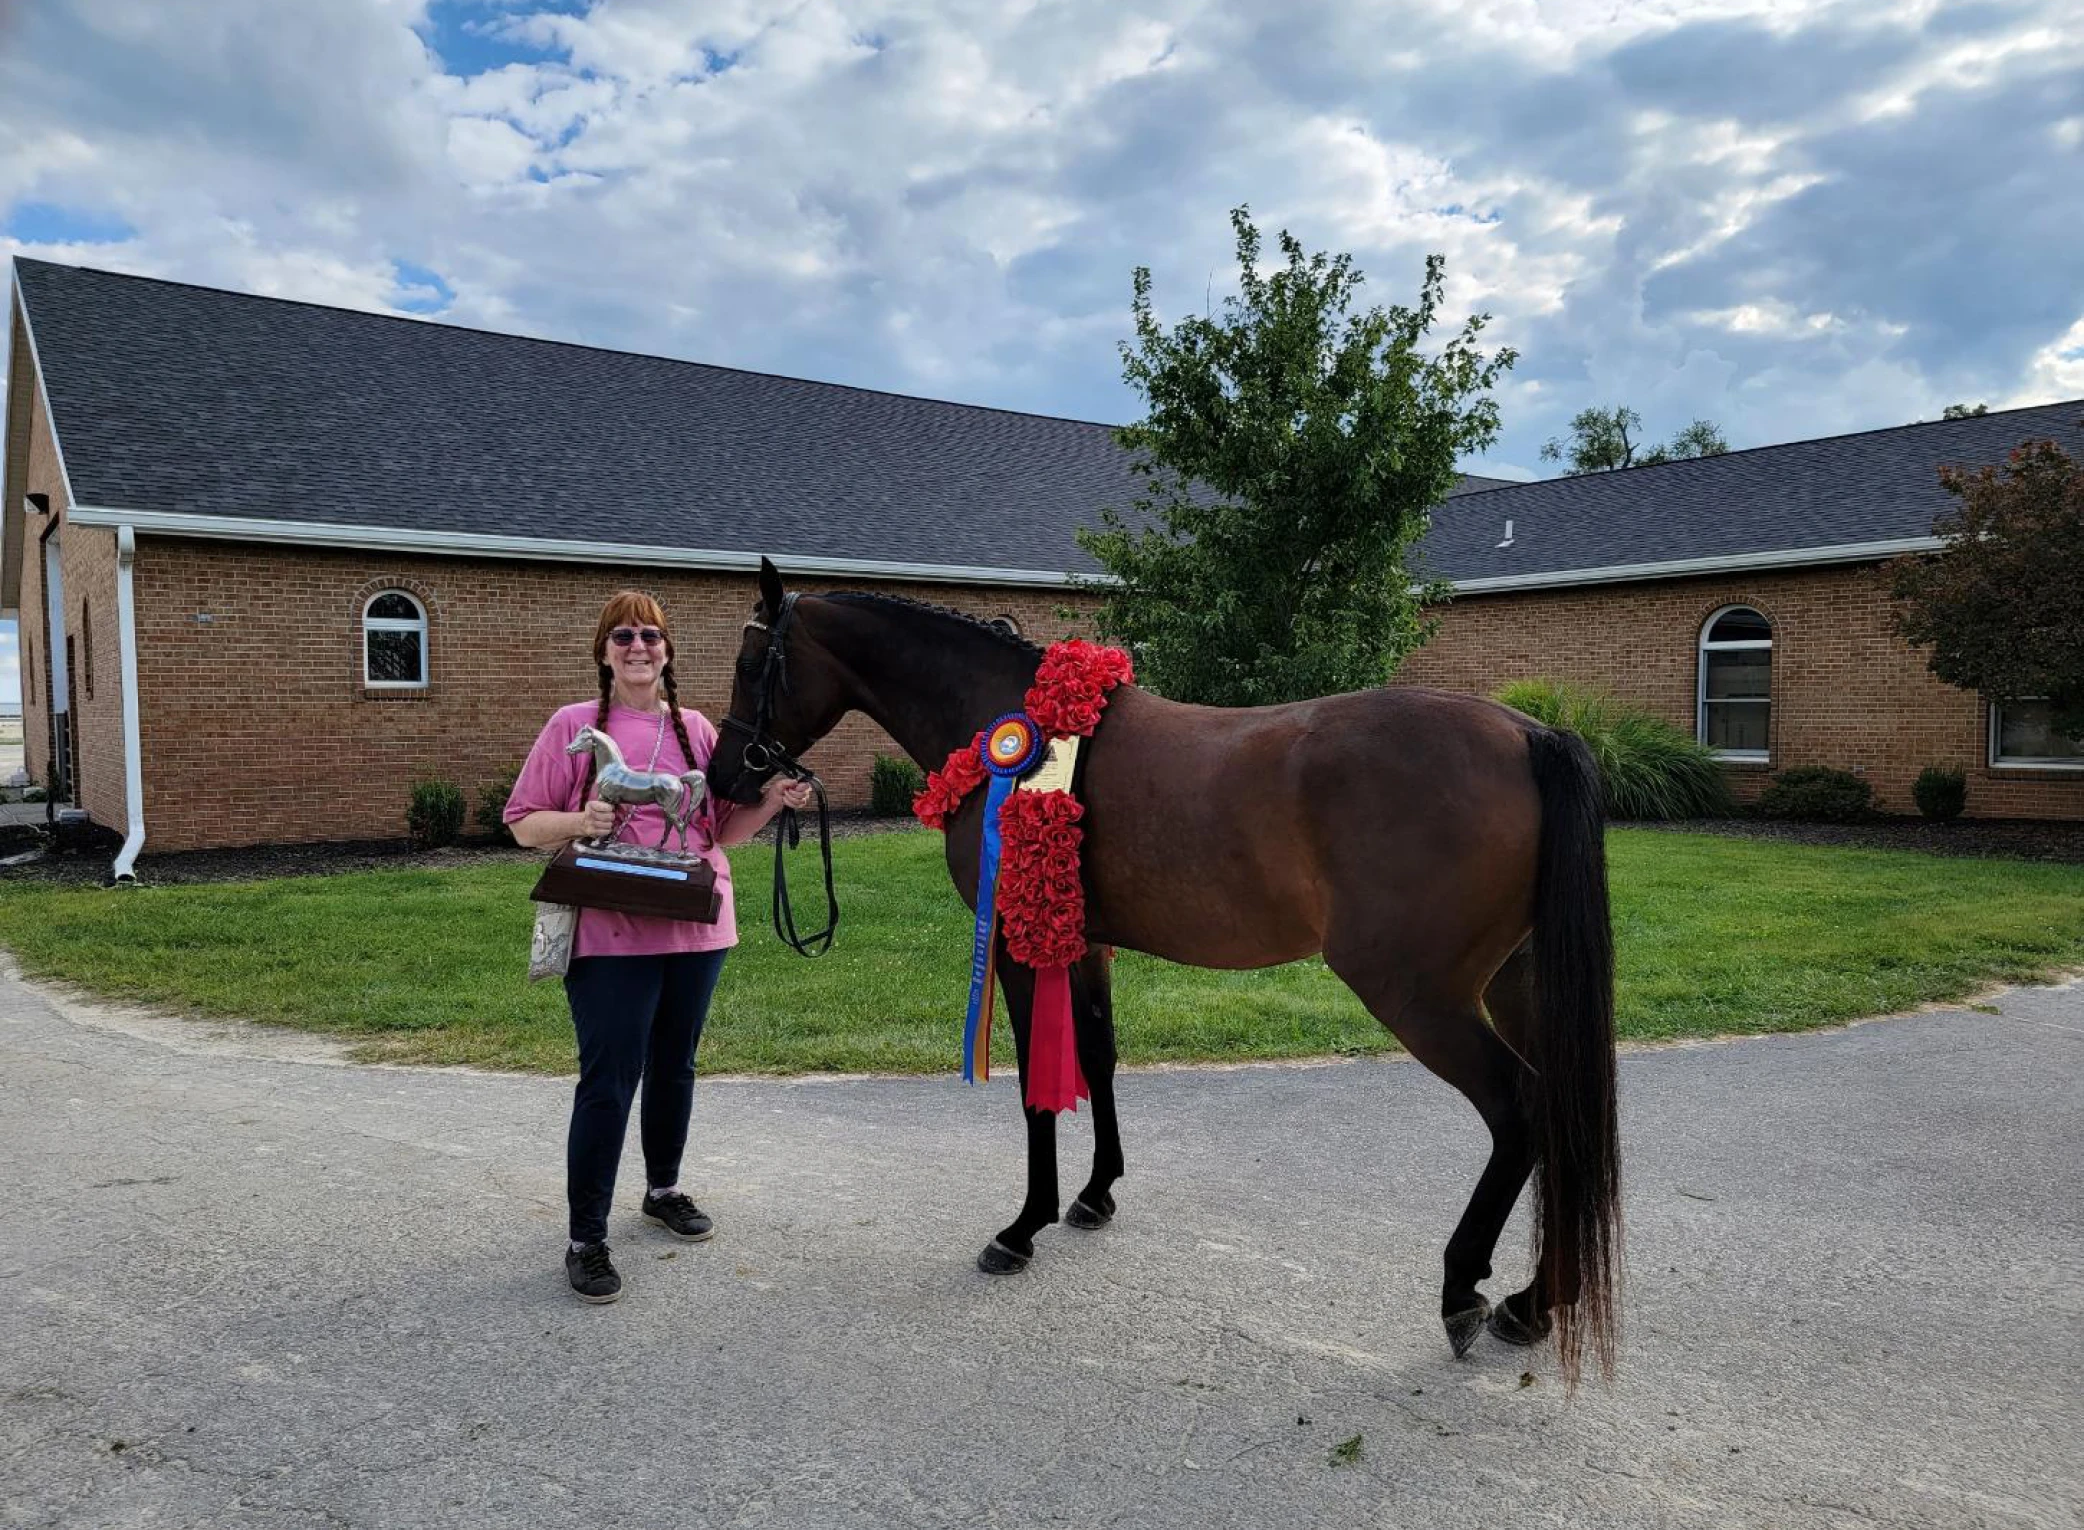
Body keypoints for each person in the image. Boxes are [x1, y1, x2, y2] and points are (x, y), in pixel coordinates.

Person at [506, 590, 812, 1304]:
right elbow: (522, 823)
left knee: (675, 1065)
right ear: (604, 651)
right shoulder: (572, 725)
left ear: (667, 650)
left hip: (697, 926)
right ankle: (586, 1238)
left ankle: (663, 1189)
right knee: (609, 1082)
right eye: (622, 637)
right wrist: (580, 817)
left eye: (649, 636)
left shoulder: (697, 731)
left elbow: (720, 833)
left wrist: (772, 802)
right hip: (610, 936)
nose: (637, 647)